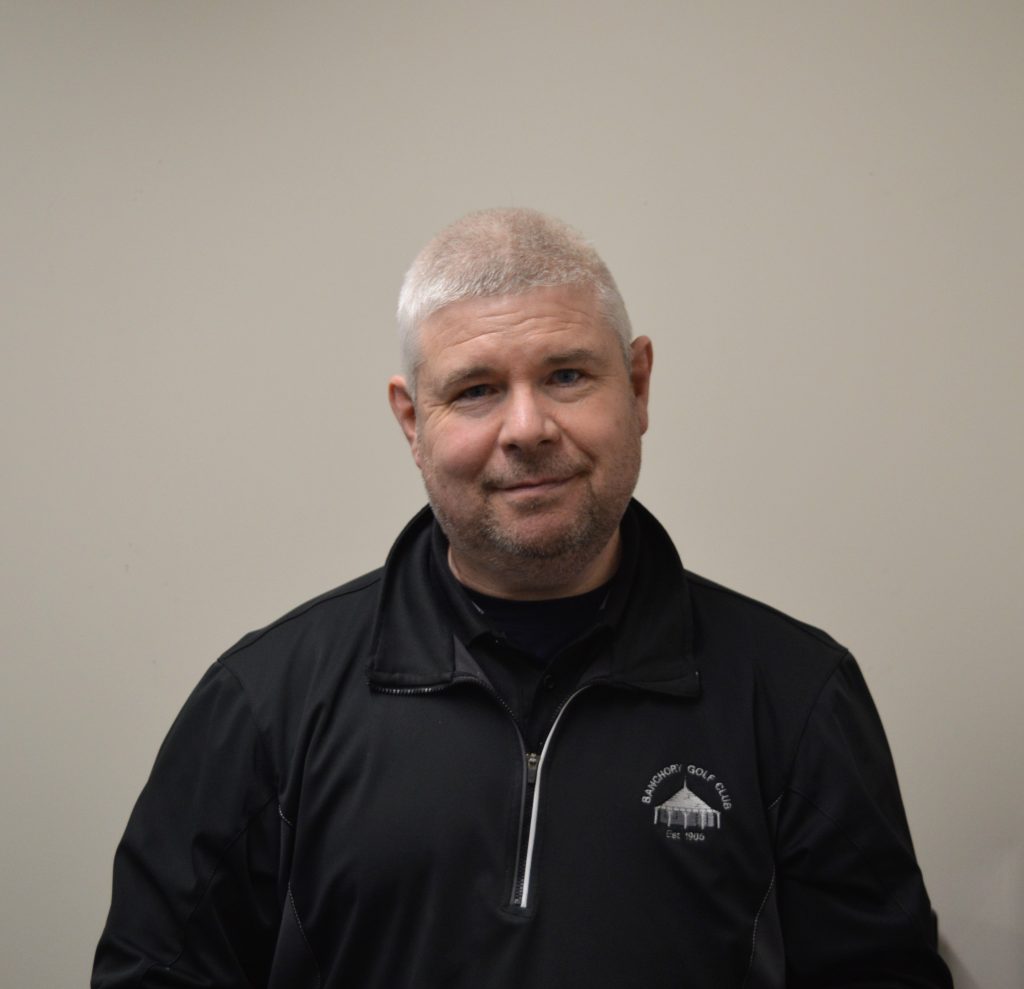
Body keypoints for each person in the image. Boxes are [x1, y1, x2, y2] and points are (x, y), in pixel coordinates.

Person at [93, 208, 953, 988]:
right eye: (475, 390)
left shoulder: (795, 697)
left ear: (639, 386)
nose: (528, 428)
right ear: (411, 421)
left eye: (568, 375)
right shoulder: (266, 706)